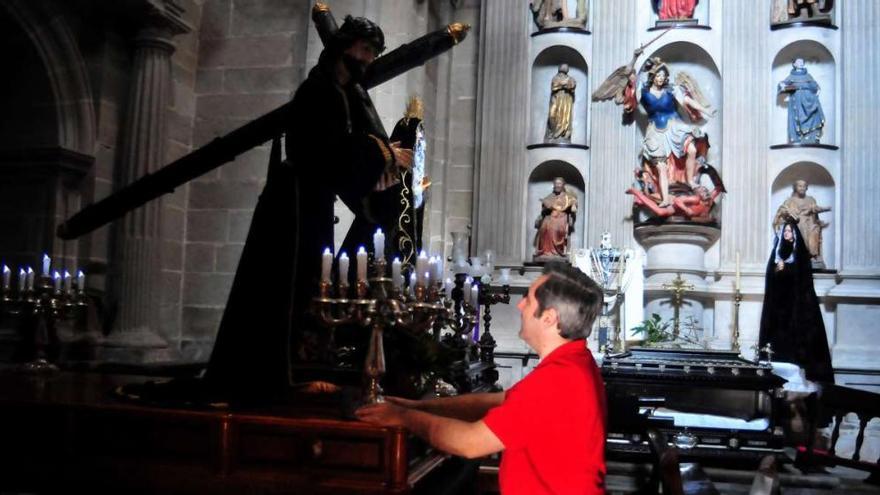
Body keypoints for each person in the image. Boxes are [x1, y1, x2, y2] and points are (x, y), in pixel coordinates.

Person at [204, 15, 413, 402]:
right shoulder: (317, 91)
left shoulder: (340, 92)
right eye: (365, 50)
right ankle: (278, 373)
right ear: (344, 46)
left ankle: (300, 363)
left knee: (309, 282)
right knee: (286, 284)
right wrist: (382, 152)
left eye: (374, 53)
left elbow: (343, 158)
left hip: (315, 202)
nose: (368, 59)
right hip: (293, 203)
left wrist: (378, 171)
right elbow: (325, 151)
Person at [356, 263, 607, 495]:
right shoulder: (575, 363)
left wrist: (403, 417)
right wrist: (418, 406)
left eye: (528, 300)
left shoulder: (556, 379)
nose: (520, 306)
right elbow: (496, 402)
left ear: (549, 317)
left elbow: (469, 443)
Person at [758, 221, 834, 383]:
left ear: (794, 234)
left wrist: (786, 269)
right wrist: (776, 270)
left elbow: (802, 276)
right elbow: (770, 277)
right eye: (785, 231)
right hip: (778, 307)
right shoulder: (777, 251)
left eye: (789, 231)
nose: (787, 234)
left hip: (796, 305)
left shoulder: (800, 252)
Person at [633, 58, 715, 207]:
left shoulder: (671, 90)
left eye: (663, 76)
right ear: (652, 76)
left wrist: (705, 110)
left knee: (692, 149)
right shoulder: (643, 92)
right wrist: (634, 60)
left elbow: (687, 101)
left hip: (673, 126)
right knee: (661, 167)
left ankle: (690, 181)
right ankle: (665, 199)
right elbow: (631, 93)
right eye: (658, 76)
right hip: (655, 131)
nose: (661, 79)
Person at [773, 179, 831, 267]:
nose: (802, 188)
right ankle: (799, 254)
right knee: (801, 226)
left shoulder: (811, 199)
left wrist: (820, 218)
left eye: (804, 186)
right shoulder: (790, 201)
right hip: (796, 223)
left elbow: (815, 213)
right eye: (800, 186)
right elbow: (782, 212)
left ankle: (812, 255)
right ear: (795, 188)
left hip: (810, 223)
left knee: (815, 228)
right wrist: (788, 213)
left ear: (806, 188)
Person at [778, 59, 825, 144]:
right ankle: (798, 138)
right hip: (797, 101)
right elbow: (783, 84)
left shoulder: (808, 76)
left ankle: (811, 138)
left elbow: (815, 86)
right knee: (798, 118)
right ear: (794, 64)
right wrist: (782, 85)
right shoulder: (791, 76)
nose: (801, 63)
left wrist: (816, 90)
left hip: (809, 100)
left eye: (802, 62)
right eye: (798, 62)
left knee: (814, 116)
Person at [534, 177, 577, 259]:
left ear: (563, 185)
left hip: (561, 217)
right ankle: (545, 251)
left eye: (559, 183)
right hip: (550, 217)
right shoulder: (550, 196)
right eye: (556, 184)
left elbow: (573, 207)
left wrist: (573, 206)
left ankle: (557, 251)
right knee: (544, 228)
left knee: (554, 228)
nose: (557, 185)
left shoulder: (569, 197)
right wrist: (546, 206)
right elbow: (544, 209)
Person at [545, 64, 576, 143]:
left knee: (565, 116)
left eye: (566, 67)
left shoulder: (570, 78)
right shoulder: (555, 78)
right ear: (559, 68)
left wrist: (562, 85)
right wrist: (564, 84)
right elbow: (554, 87)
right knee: (552, 115)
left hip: (566, 99)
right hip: (556, 98)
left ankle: (563, 134)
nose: (564, 68)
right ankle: (553, 133)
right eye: (563, 66)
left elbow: (572, 86)